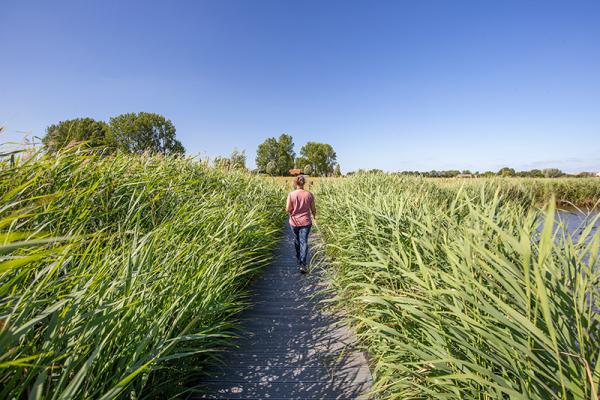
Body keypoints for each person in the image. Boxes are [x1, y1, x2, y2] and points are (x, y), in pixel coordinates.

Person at [286, 175, 316, 273]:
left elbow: (287, 209)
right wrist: (314, 216)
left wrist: (292, 211)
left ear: (295, 183)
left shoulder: (291, 194)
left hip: (294, 222)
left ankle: (299, 258)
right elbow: (313, 209)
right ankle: (303, 264)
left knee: (297, 240)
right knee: (304, 241)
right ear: (304, 183)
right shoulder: (309, 194)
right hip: (306, 221)